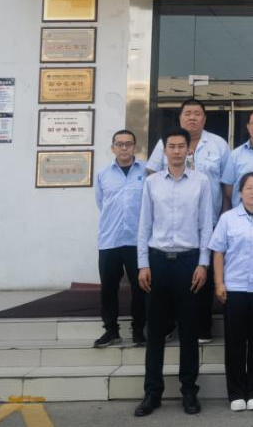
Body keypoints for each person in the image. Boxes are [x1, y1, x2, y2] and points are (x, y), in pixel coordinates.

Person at [133, 129, 213, 418]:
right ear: (164, 150)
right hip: (158, 263)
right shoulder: (152, 182)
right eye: (172, 146)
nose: (177, 151)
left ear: (189, 150)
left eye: (181, 146)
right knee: (155, 331)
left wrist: (203, 263)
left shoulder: (201, 182)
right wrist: (143, 264)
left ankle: (189, 391)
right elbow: (144, 225)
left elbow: (206, 224)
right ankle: (152, 392)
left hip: (188, 263)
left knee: (189, 331)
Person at [145, 99, 230, 343]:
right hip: (172, 224)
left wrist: (224, 219)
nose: (192, 117)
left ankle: (202, 327)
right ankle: (169, 324)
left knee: (203, 274)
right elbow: (152, 174)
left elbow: (227, 185)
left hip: (210, 222)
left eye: (197, 114)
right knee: (171, 279)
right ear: (180, 117)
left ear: (204, 118)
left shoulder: (219, 144)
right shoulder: (166, 143)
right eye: (188, 113)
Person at [209, 171, 253, 413]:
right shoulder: (228, 218)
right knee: (235, 342)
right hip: (235, 288)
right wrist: (219, 283)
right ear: (239, 192)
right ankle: (236, 393)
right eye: (248, 187)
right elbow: (218, 252)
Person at [93, 129, 148, 350]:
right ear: (113, 147)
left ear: (135, 146)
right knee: (108, 287)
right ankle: (111, 330)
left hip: (137, 240)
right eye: (119, 144)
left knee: (141, 287)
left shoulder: (146, 171)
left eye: (128, 144)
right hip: (110, 239)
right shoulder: (103, 174)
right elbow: (101, 203)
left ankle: (139, 331)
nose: (124, 148)